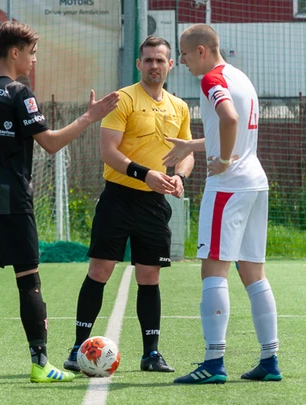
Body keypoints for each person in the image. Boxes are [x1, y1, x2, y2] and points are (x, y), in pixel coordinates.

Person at [0, 20, 119, 383]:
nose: (33, 60)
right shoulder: (19, 92)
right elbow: (51, 143)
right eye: (31, 53)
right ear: (14, 52)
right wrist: (90, 116)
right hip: (12, 199)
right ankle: (40, 363)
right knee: (29, 281)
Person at [63, 36, 194, 374]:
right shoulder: (123, 99)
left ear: (170, 65)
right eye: (148, 60)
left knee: (149, 278)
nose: (154, 65)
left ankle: (151, 354)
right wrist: (145, 174)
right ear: (139, 64)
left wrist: (179, 176)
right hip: (118, 200)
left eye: (160, 60)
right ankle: (78, 347)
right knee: (100, 271)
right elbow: (108, 152)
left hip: (154, 205)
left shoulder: (179, 107)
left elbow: (187, 153)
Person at [163, 24, 282, 384]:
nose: (180, 61)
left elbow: (229, 119)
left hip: (229, 186)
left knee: (213, 270)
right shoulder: (239, 77)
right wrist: (191, 146)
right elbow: (229, 130)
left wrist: (225, 160)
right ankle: (269, 359)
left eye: (183, 54)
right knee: (254, 273)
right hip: (255, 185)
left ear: (201, 50)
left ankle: (214, 363)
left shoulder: (211, 79)